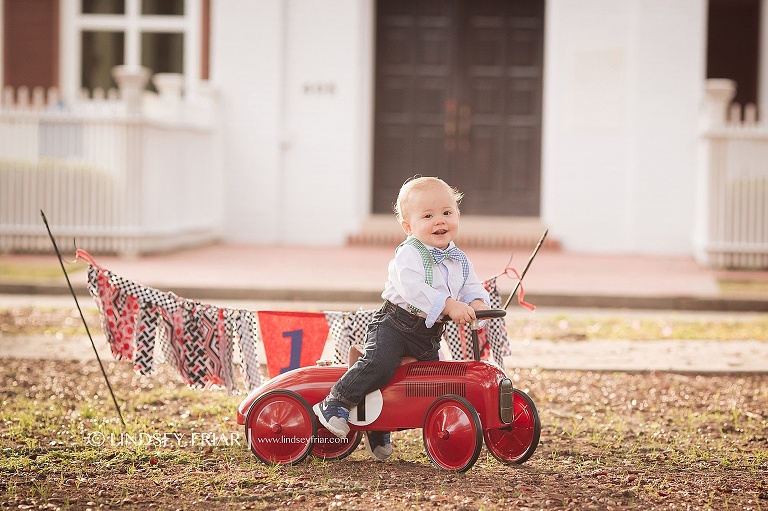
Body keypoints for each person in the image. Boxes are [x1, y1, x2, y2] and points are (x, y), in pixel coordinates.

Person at [314, 176, 490, 461]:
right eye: (428, 215)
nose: (439, 221)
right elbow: (413, 290)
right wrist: (448, 305)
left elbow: (472, 287)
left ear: (457, 215)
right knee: (380, 364)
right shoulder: (409, 254)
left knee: (430, 385)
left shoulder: (459, 259)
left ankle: (381, 422)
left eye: (447, 213)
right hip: (394, 325)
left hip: (426, 335)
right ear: (409, 227)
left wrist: (477, 302)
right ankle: (336, 401)